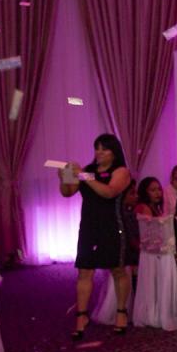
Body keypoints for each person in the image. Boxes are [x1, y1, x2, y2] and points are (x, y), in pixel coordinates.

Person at [60, 133, 133, 339]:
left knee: (118, 270)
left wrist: (84, 175)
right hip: (89, 226)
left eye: (104, 149)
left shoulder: (121, 171)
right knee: (84, 271)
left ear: (114, 152)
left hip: (113, 226)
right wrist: (65, 177)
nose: (99, 152)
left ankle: (121, 312)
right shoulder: (88, 170)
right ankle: (81, 316)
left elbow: (109, 192)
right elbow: (67, 192)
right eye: (97, 148)